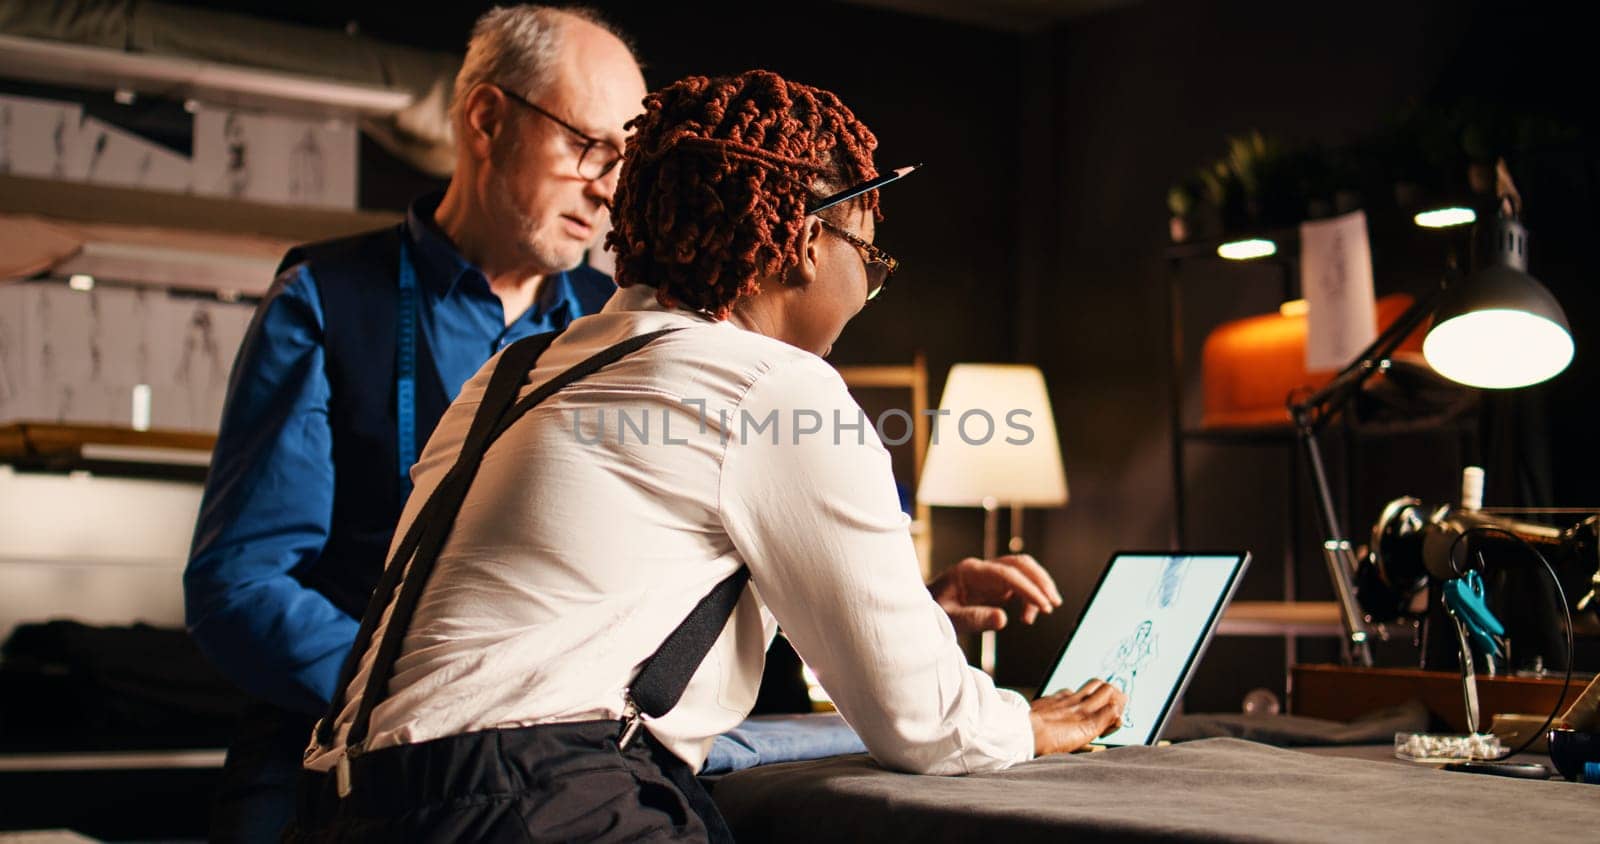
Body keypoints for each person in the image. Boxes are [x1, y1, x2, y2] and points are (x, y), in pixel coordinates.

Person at [294, 68, 1124, 842]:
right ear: (803, 244)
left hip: (347, 801)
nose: (868, 291)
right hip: (534, 798)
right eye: (869, 260)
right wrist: (1026, 723)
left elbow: (593, 610)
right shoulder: (774, 384)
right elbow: (925, 723)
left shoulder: (515, 374)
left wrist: (903, 612)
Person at [183, 7, 647, 841]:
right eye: (589, 146)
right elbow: (240, 589)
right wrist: (427, 695)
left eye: (626, 159)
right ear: (486, 119)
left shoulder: (615, 332)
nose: (610, 187)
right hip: (324, 754)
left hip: (538, 767)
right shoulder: (324, 300)